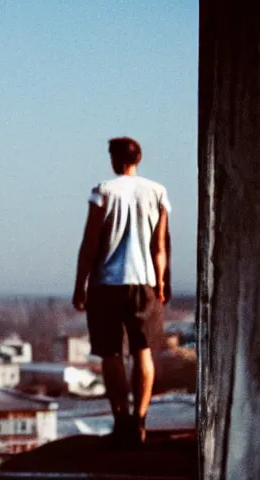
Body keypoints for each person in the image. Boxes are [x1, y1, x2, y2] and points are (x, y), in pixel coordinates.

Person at [72, 137, 171, 447]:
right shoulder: (157, 192)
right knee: (143, 352)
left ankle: (122, 420)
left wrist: (80, 284)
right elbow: (159, 246)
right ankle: (140, 420)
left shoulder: (103, 191)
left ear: (115, 159)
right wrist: (162, 282)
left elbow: (90, 242)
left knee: (110, 353)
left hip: (106, 283)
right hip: (144, 283)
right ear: (138, 158)